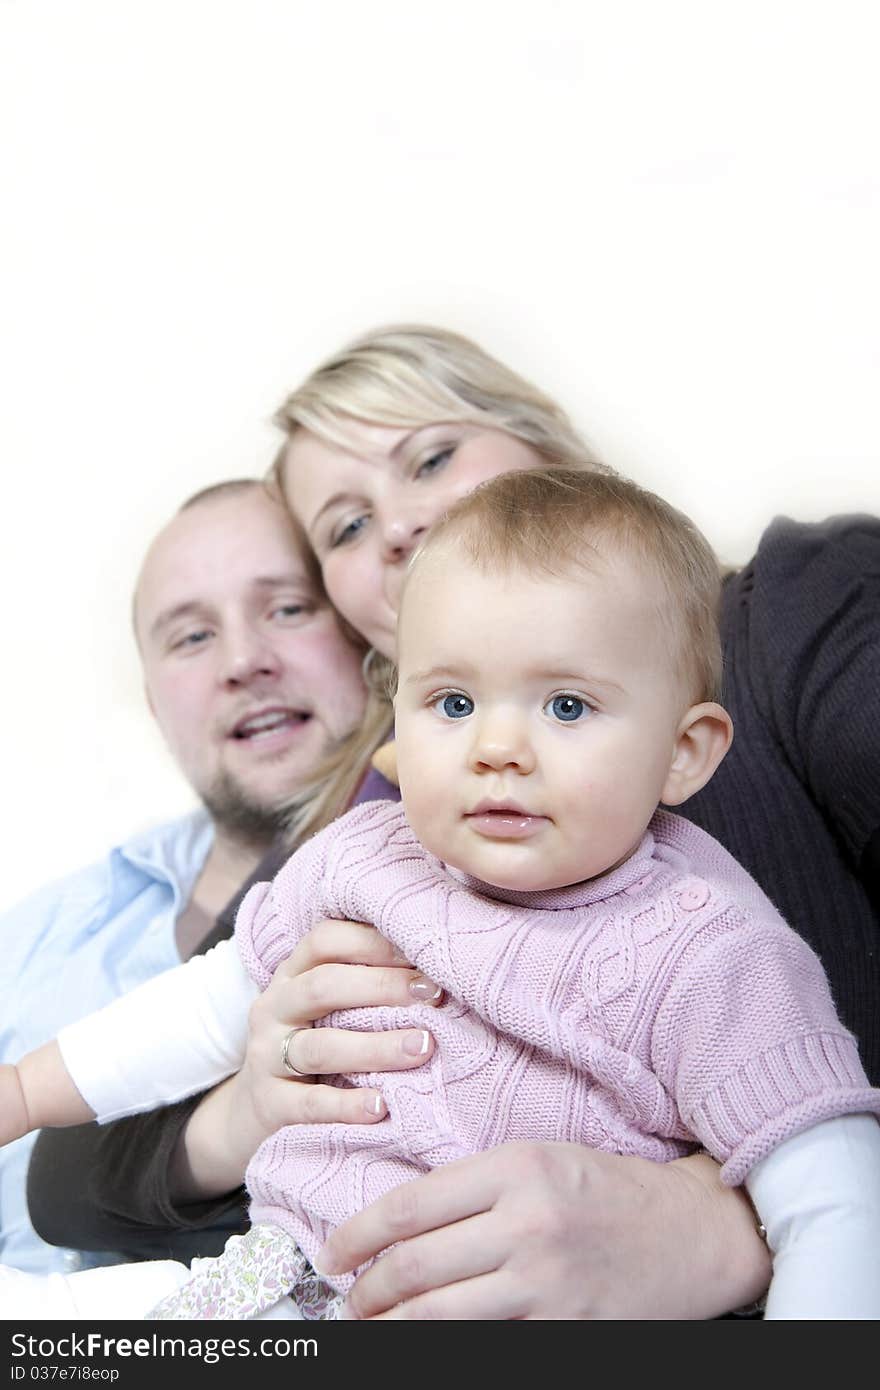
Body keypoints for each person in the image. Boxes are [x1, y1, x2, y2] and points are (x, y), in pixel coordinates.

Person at [29, 324, 880, 1319]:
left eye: (431, 457)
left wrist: (733, 1223)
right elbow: (66, 1174)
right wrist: (253, 1097)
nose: (394, 528)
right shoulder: (370, 832)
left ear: (551, 456)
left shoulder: (786, 614)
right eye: (344, 528)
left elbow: (816, 1159)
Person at [0, 477, 432, 1275]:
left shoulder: (428, 881)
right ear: (153, 702)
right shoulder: (34, 941)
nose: (244, 661)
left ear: (372, 641)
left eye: (288, 608)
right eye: (192, 637)